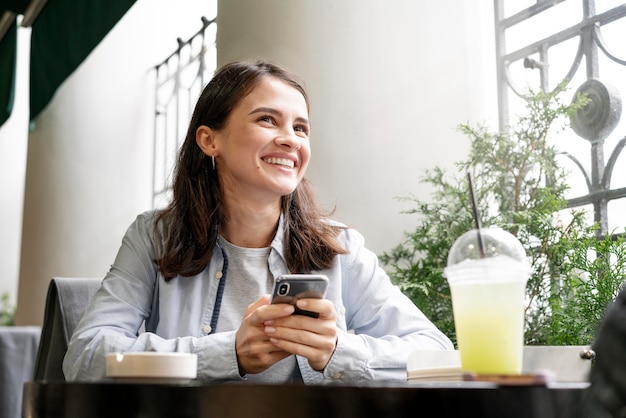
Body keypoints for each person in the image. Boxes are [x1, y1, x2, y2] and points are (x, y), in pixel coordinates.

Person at [63, 60, 453, 384]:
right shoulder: (153, 237)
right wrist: (228, 353)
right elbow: (85, 356)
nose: (291, 140)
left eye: (300, 127)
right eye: (268, 120)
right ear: (209, 140)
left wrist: (337, 351)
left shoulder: (342, 250)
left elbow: (436, 355)